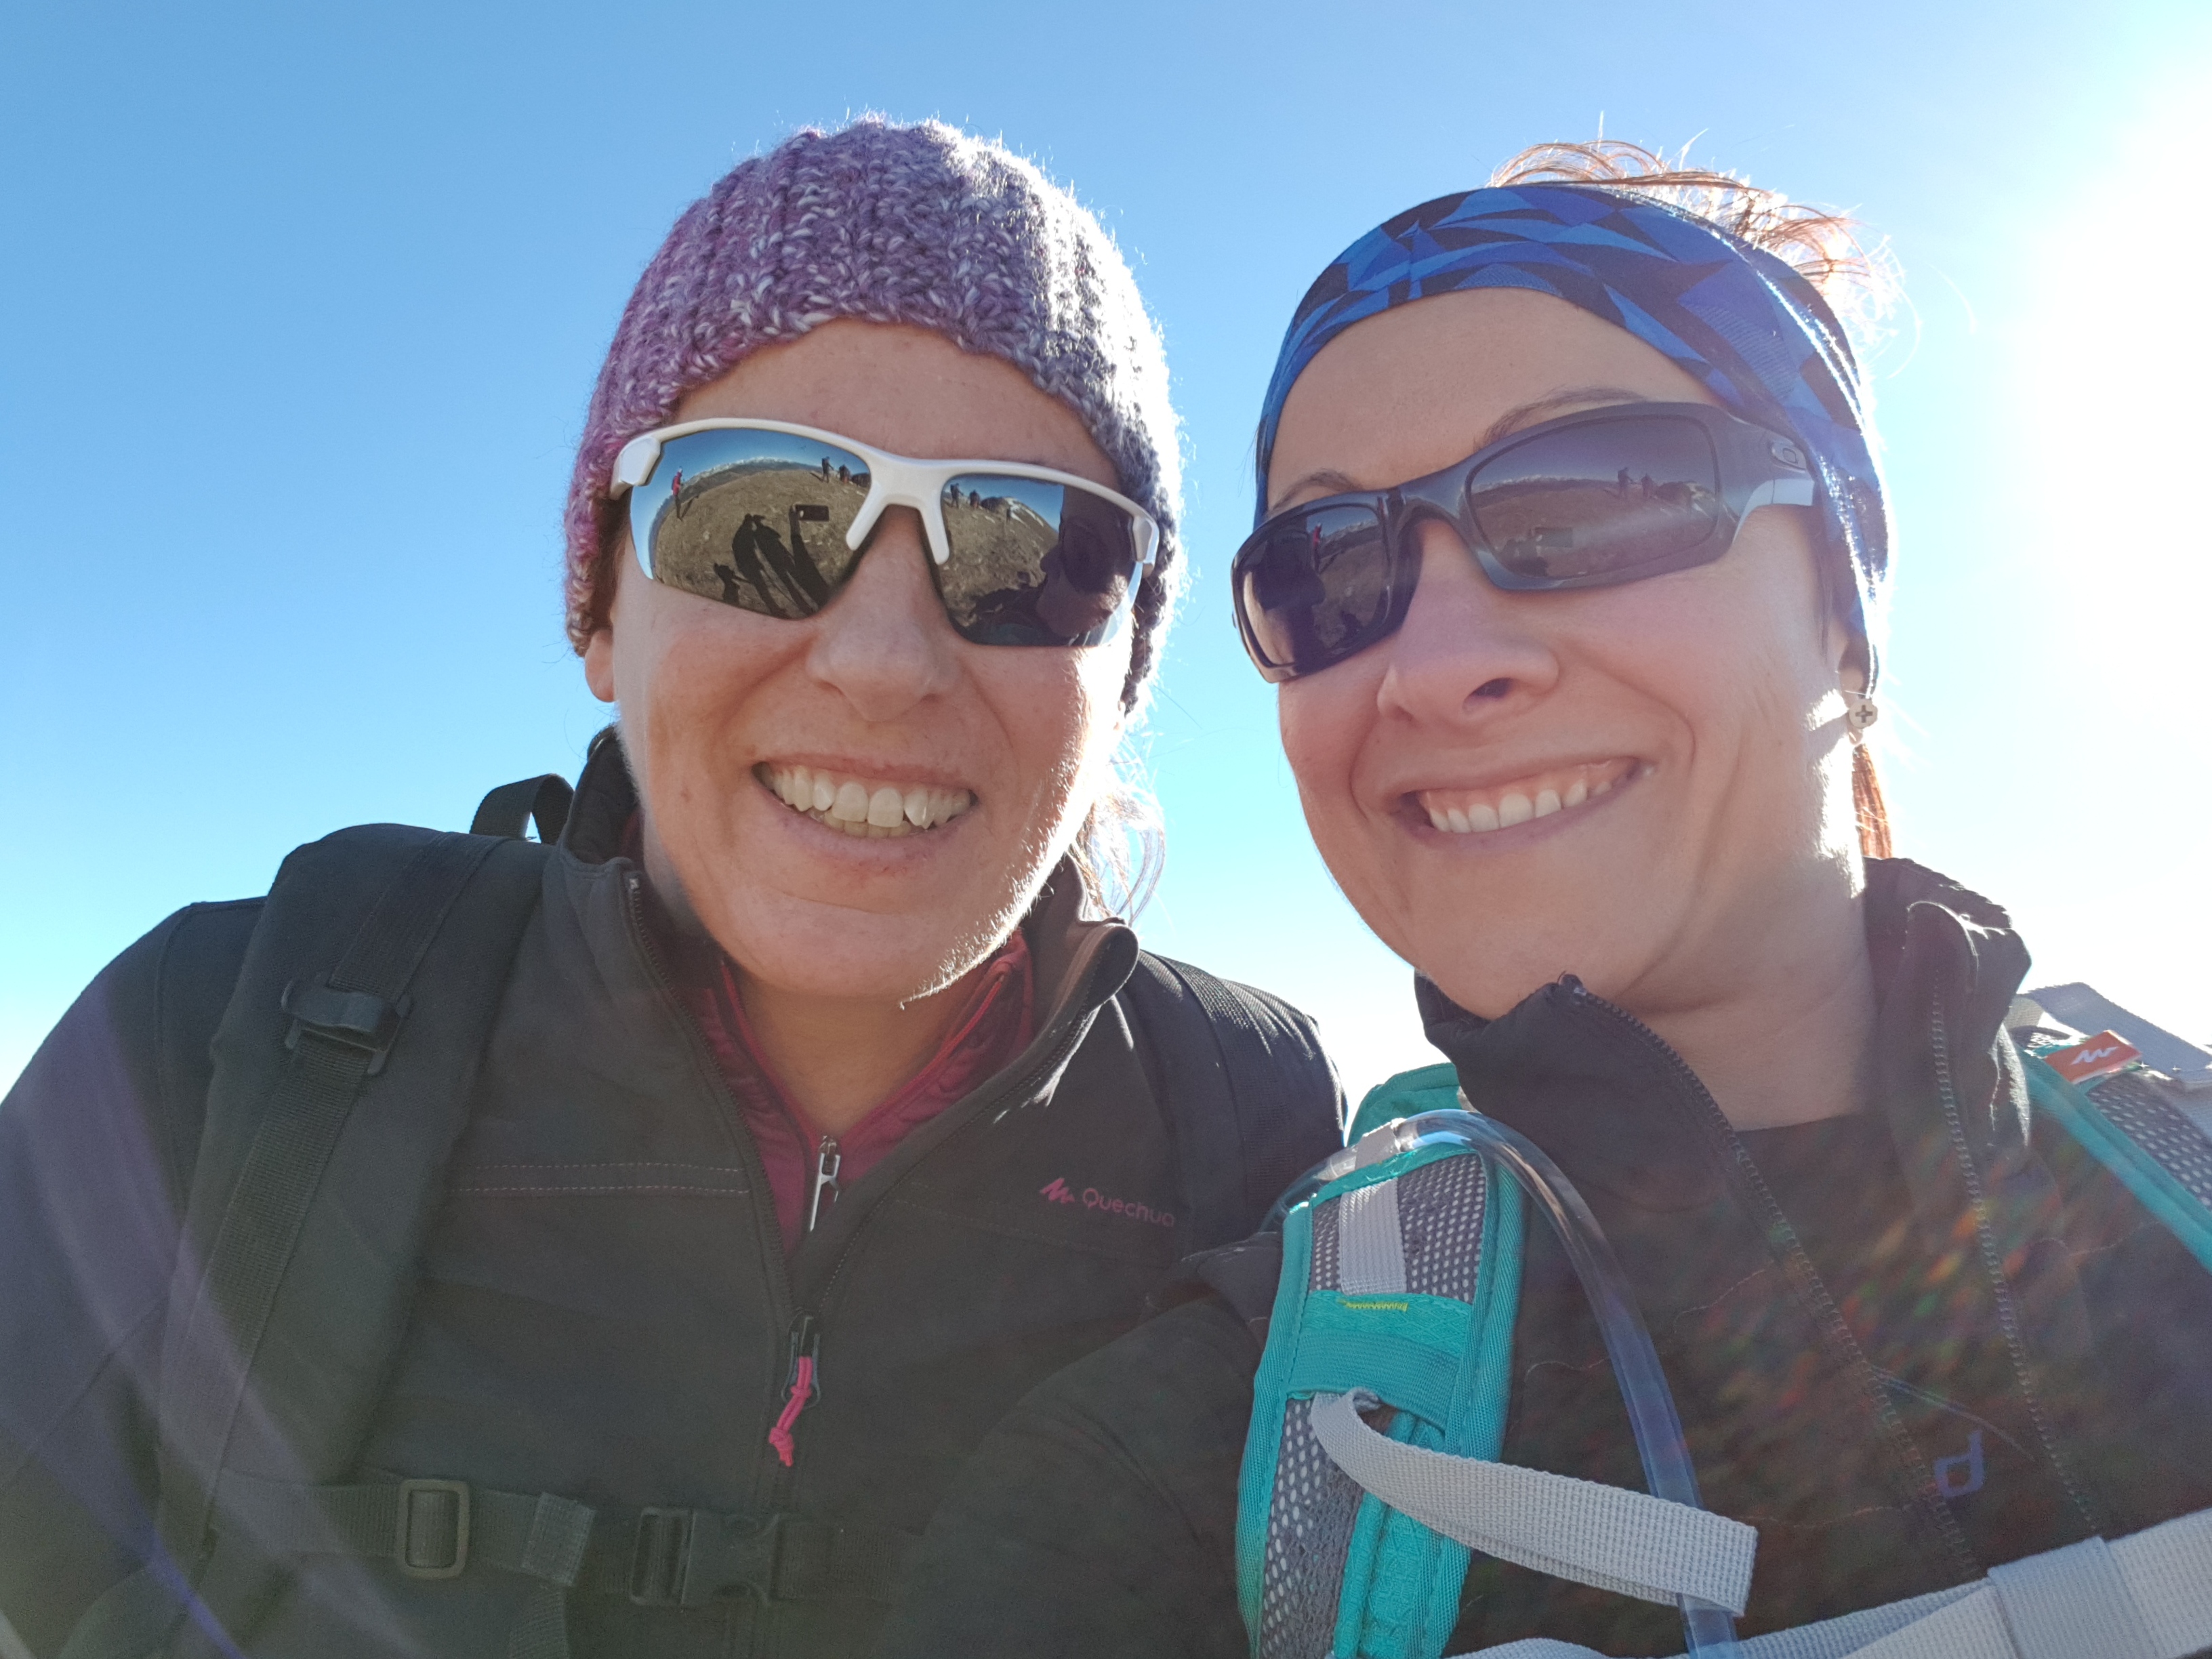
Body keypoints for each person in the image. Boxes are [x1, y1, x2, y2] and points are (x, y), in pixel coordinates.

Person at [0, 119, 1344, 1658]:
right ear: (600, 609)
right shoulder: (217, 1039)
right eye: (755, 522)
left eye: (1031, 550)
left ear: (1121, 673)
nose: (881, 660)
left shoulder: (1255, 1126)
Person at [876, 142, 2212, 1658]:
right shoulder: (1179, 1479)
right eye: (1328, 568)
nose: (1439, 664)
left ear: (1845, 612)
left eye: (1586, 503)